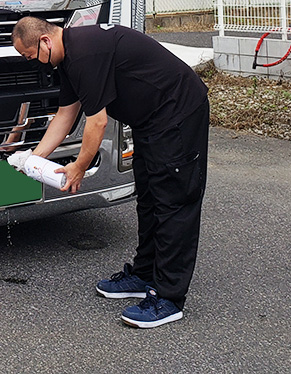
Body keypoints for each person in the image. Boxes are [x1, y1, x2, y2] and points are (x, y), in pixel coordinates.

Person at [11, 17, 209, 328]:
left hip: (177, 111)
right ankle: (145, 274)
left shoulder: (85, 54)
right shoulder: (68, 58)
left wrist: (79, 166)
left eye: (30, 55)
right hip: (151, 121)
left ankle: (169, 298)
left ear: (45, 42)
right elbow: (65, 115)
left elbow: (98, 123)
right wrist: (32, 159)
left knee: (173, 202)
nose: (32, 62)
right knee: (149, 197)